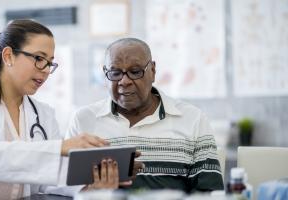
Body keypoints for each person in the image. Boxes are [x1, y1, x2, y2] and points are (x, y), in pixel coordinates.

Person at [0, 19, 122, 200]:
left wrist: (91, 186)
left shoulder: (43, 114)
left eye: (49, 62)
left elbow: (49, 177)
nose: (46, 70)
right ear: (8, 56)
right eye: (39, 58)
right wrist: (60, 147)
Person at [66, 38, 224, 193]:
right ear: (105, 74)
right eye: (115, 73)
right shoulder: (83, 120)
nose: (124, 81)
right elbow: (64, 191)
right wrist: (94, 190)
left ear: (153, 71)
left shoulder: (192, 119)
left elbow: (209, 193)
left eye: (135, 72)